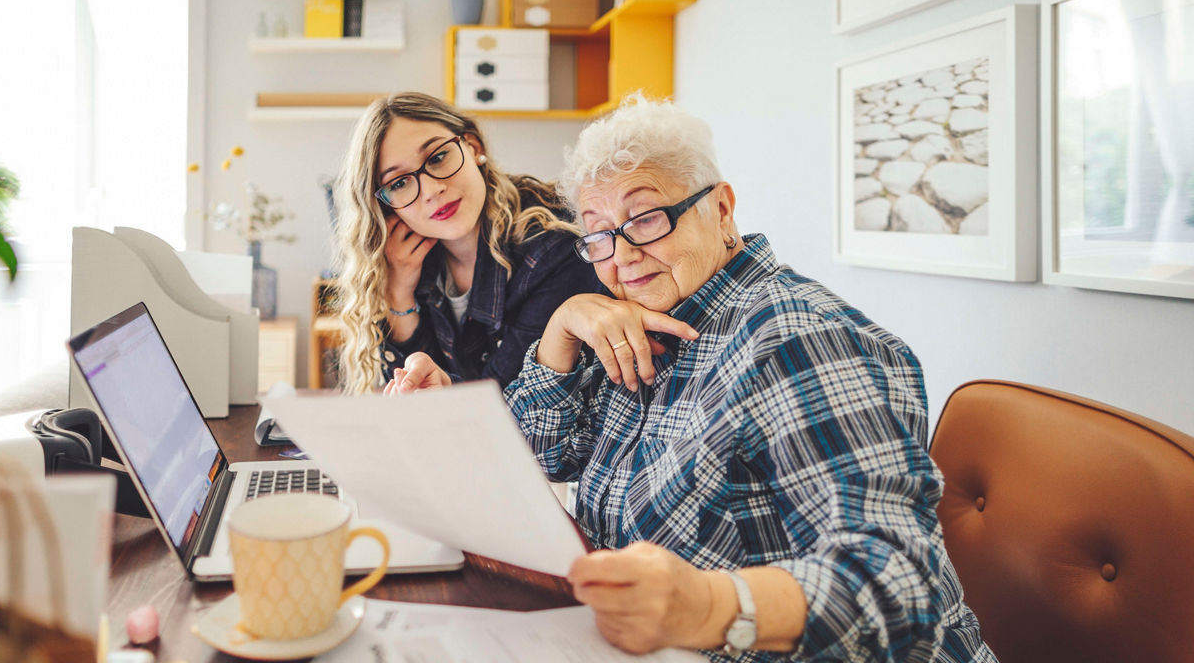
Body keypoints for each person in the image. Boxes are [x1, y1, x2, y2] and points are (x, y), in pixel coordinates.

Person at [388, 96, 996, 662]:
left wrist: (708, 605)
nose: (622, 255)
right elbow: (547, 454)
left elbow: (900, 583)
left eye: (646, 217)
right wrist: (559, 336)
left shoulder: (792, 337)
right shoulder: (654, 321)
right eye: (598, 235)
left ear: (721, 208)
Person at [330, 92, 603, 394]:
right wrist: (399, 294)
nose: (432, 190)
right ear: (385, 206)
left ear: (473, 148)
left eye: (437, 157)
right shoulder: (409, 258)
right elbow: (415, 394)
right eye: (399, 183)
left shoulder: (551, 249)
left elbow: (504, 405)